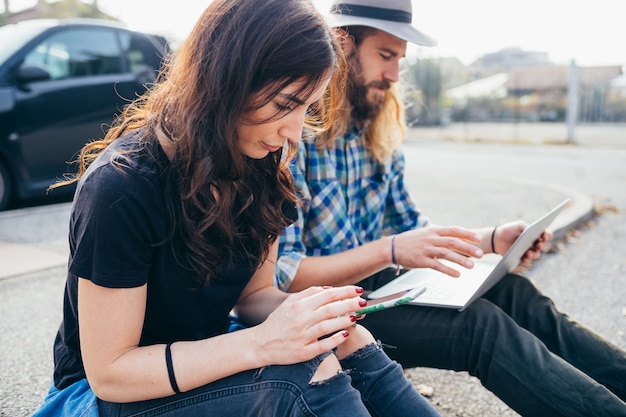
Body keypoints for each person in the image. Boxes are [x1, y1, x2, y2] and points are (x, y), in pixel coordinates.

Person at [30, 1, 442, 416]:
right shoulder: (122, 186)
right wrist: (261, 343)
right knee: (299, 382)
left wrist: (314, 315)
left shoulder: (260, 165)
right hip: (102, 397)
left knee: (348, 341)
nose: (295, 131)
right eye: (285, 104)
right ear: (228, 81)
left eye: (306, 107)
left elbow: (255, 296)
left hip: (201, 355)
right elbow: (111, 373)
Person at [276, 1, 626, 416]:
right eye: (385, 56)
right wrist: (389, 250)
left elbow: (413, 231)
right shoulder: (292, 135)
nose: (394, 75)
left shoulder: (373, 131)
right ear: (342, 47)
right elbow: (286, 277)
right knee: (479, 328)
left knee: (513, 292)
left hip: (386, 288)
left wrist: (492, 240)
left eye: (400, 60)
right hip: (335, 314)